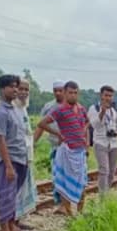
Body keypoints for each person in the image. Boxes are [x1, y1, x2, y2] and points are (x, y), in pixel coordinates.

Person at [38, 81, 90, 216]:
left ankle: (80, 211)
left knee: (83, 183)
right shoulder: (59, 110)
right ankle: (69, 214)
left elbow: (86, 122)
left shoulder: (82, 109)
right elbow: (42, 123)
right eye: (70, 93)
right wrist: (58, 134)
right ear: (66, 93)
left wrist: (85, 138)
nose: (73, 95)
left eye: (75, 93)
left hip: (80, 151)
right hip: (67, 151)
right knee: (65, 183)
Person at [0, 75, 32, 231]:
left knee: (14, 194)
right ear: (2, 89)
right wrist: (7, 165)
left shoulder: (15, 110)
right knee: (5, 194)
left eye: (16, 86)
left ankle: (12, 226)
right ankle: (4, 230)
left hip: (21, 157)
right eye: (11, 87)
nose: (15, 90)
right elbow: (1, 140)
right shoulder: (0, 112)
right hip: (9, 159)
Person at [89, 85, 117, 194]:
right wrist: (102, 112)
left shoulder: (115, 109)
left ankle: (107, 191)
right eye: (106, 95)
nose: (108, 98)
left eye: (110, 96)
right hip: (100, 142)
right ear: (101, 95)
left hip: (114, 143)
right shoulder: (94, 108)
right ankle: (103, 197)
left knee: (112, 171)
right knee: (104, 170)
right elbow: (94, 124)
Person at [13, 78, 37, 226]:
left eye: (26, 90)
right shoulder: (11, 108)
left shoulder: (23, 108)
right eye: (20, 89)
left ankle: (20, 218)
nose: (23, 93)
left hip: (26, 154)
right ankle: (13, 220)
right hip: (16, 155)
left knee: (24, 188)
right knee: (15, 189)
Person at [39, 81, 65, 207]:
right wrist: (33, 142)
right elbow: (40, 126)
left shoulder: (71, 106)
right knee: (56, 174)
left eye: (60, 90)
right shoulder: (48, 107)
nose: (58, 93)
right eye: (56, 91)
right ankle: (58, 200)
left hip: (70, 147)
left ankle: (66, 201)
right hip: (55, 145)